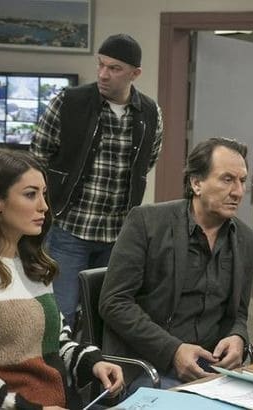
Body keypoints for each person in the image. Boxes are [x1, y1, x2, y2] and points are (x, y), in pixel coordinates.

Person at [0, 149, 124, 409]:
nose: (43, 206)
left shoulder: (32, 264)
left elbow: (56, 343)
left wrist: (92, 363)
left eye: (44, 194)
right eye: (30, 194)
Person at [99, 137, 253, 388]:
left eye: (242, 181)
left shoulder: (246, 239)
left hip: (213, 367)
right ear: (196, 183)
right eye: (227, 179)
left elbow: (238, 312)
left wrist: (238, 336)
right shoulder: (147, 223)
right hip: (149, 365)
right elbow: (114, 302)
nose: (238, 192)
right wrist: (173, 350)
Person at [30, 33, 164, 330]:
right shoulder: (68, 102)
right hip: (70, 228)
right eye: (101, 65)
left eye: (114, 68)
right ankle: (56, 362)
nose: (103, 74)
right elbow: (37, 157)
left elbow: (147, 162)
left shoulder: (150, 113)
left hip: (117, 235)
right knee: (61, 314)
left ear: (135, 74)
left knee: (104, 315)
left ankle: (94, 361)